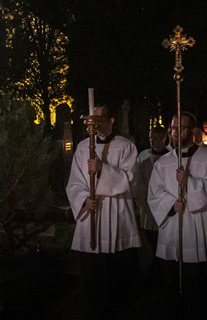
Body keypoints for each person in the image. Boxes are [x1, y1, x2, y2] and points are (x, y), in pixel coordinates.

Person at [148, 112, 207, 318]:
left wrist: (189, 181)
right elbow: (154, 193)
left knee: (204, 284)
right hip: (174, 227)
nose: (175, 132)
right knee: (174, 284)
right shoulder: (163, 163)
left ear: (193, 131)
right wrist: (170, 204)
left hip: (203, 226)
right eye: (172, 128)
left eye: (180, 128)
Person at [66, 104, 141, 318]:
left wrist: (102, 170)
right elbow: (74, 182)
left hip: (117, 213)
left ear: (111, 121)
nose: (96, 125)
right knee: (93, 273)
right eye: (93, 120)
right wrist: (83, 199)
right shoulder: (82, 147)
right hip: (92, 213)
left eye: (100, 120)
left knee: (118, 272)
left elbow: (131, 180)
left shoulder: (126, 146)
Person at [130, 125, 170, 278]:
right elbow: (137, 180)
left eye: (157, 138)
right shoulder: (143, 156)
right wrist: (142, 198)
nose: (154, 141)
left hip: (164, 202)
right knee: (149, 235)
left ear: (164, 139)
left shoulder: (170, 156)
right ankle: (154, 263)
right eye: (151, 138)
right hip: (146, 202)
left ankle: (162, 265)